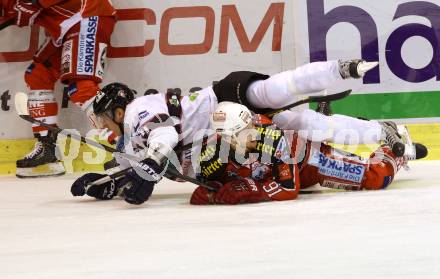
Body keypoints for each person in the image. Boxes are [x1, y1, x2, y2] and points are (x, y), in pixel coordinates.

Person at [70, 59, 406, 205]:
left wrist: (149, 171)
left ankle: (340, 70)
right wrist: (112, 180)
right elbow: (143, 162)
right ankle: (380, 129)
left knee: (284, 94)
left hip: (228, 101)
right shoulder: (136, 135)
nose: (101, 127)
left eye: (101, 118)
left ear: (116, 110)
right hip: (228, 133)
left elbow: (162, 140)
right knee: (305, 124)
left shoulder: (135, 115)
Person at [189, 102, 428, 205]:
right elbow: (200, 192)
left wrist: (256, 189)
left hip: (310, 162)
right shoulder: (213, 151)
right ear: (228, 138)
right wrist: (215, 196)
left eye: (252, 124)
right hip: (284, 171)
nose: (254, 131)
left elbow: (289, 188)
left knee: (376, 178)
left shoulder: (271, 136)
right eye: (245, 131)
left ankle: (393, 144)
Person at [0, 0, 116, 178]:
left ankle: (129, 144)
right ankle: (48, 150)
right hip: (65, 26)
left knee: (81, 87)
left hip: (88, 13)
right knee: (38, 75)